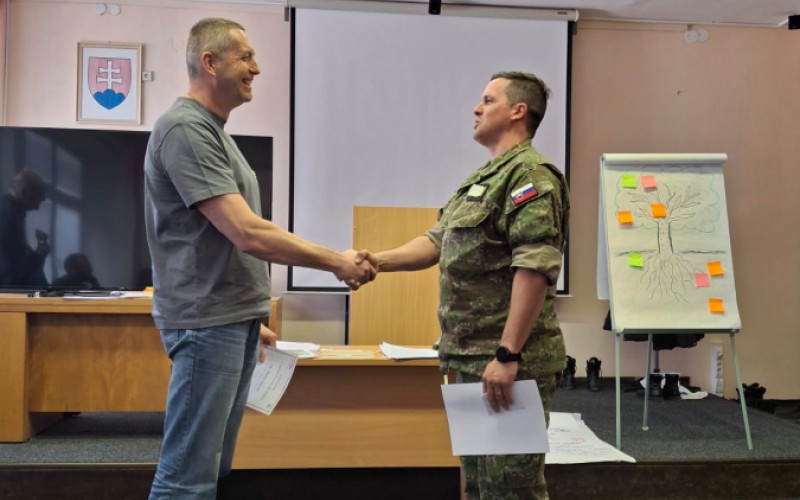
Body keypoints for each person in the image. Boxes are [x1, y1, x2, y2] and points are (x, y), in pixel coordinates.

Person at [144, 18, 376, 499]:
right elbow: (246, 232)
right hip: (207, 322)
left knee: (212, 469)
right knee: (185, 479)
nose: (257, 68)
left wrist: (250, 316)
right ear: (210, 63)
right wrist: (336, 262)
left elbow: (229, 238)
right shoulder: (185, 129)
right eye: (245, 57)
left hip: (229, 320)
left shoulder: (214, 131)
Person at [362, 72, 570, 499]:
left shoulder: (530, 177)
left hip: (508, 363)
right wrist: (377, 261)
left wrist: (507, 354)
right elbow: (436, 241)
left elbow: (534, 268)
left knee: (511, 487)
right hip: (470, 359)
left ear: (518, 111)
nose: (476, 108)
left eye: (488, 100)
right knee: (477, 485)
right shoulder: (481, 180)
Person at [0, 170, 49, 288]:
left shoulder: (10, 211)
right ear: (24, 192)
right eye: (40, 193)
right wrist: (40, 252)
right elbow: (12, 267)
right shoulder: (9, 214)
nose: (43, 198)